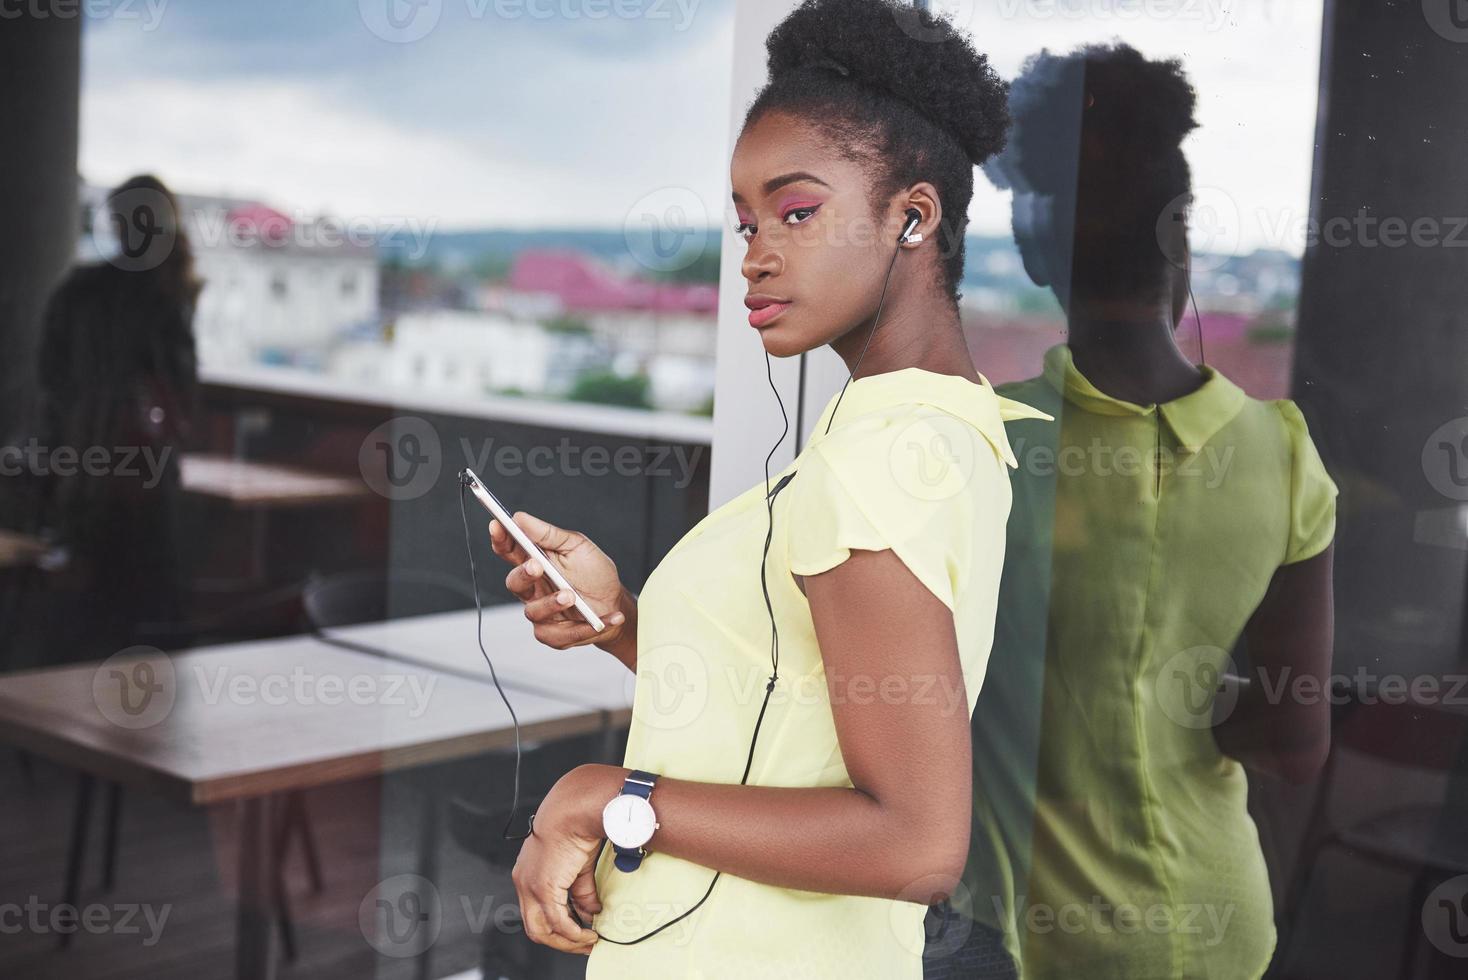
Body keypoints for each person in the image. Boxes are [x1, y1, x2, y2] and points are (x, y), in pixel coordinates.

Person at [480, 0, 1055, 975]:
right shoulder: (936, 426)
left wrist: (601, 792)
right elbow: (795, 707)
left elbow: (915, 840)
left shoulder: (879, 459)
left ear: (912, 215)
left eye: (796, 211)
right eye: (744, 220)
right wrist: (623, 621)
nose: (754, 253)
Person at [954, 43, 1340, 979]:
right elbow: (1296, 741)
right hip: (1219, 921)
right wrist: (1180, 695)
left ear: (1041, 248)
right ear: (1181, 241)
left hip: (1036, 942)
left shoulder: (982, 442)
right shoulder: (1284, 453)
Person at [36, 173, 202, 660]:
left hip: (84, 477)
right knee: (149, 629)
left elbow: (53, 380)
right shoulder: (167, 297)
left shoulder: (81, 290)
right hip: (144, 484)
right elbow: (181, 398)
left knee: (81, 631)